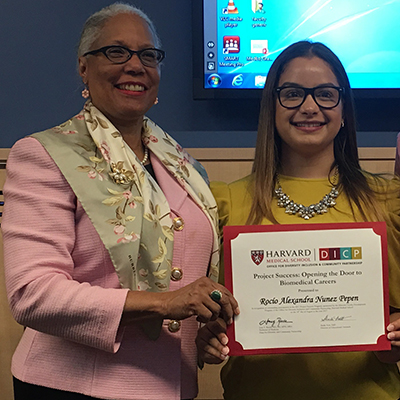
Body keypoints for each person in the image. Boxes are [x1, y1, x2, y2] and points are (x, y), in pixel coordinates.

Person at [2, 3, 239, 400]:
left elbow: (185, 272)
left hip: (172, 386)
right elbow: (32, 293)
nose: (135, 65)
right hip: (73, 387)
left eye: (149, 55)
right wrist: (165, 304)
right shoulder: (45, 154)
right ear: (83, 66)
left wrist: (206, 329)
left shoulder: (184, 166)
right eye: (116, 52)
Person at [196, 40, 400, 399]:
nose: (309, 107)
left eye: (325, 94)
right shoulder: (222, 203)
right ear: (271, 108)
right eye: (292, 93)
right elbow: (202, 313)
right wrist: (205, 337)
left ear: (344, 110)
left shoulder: (389, 202)